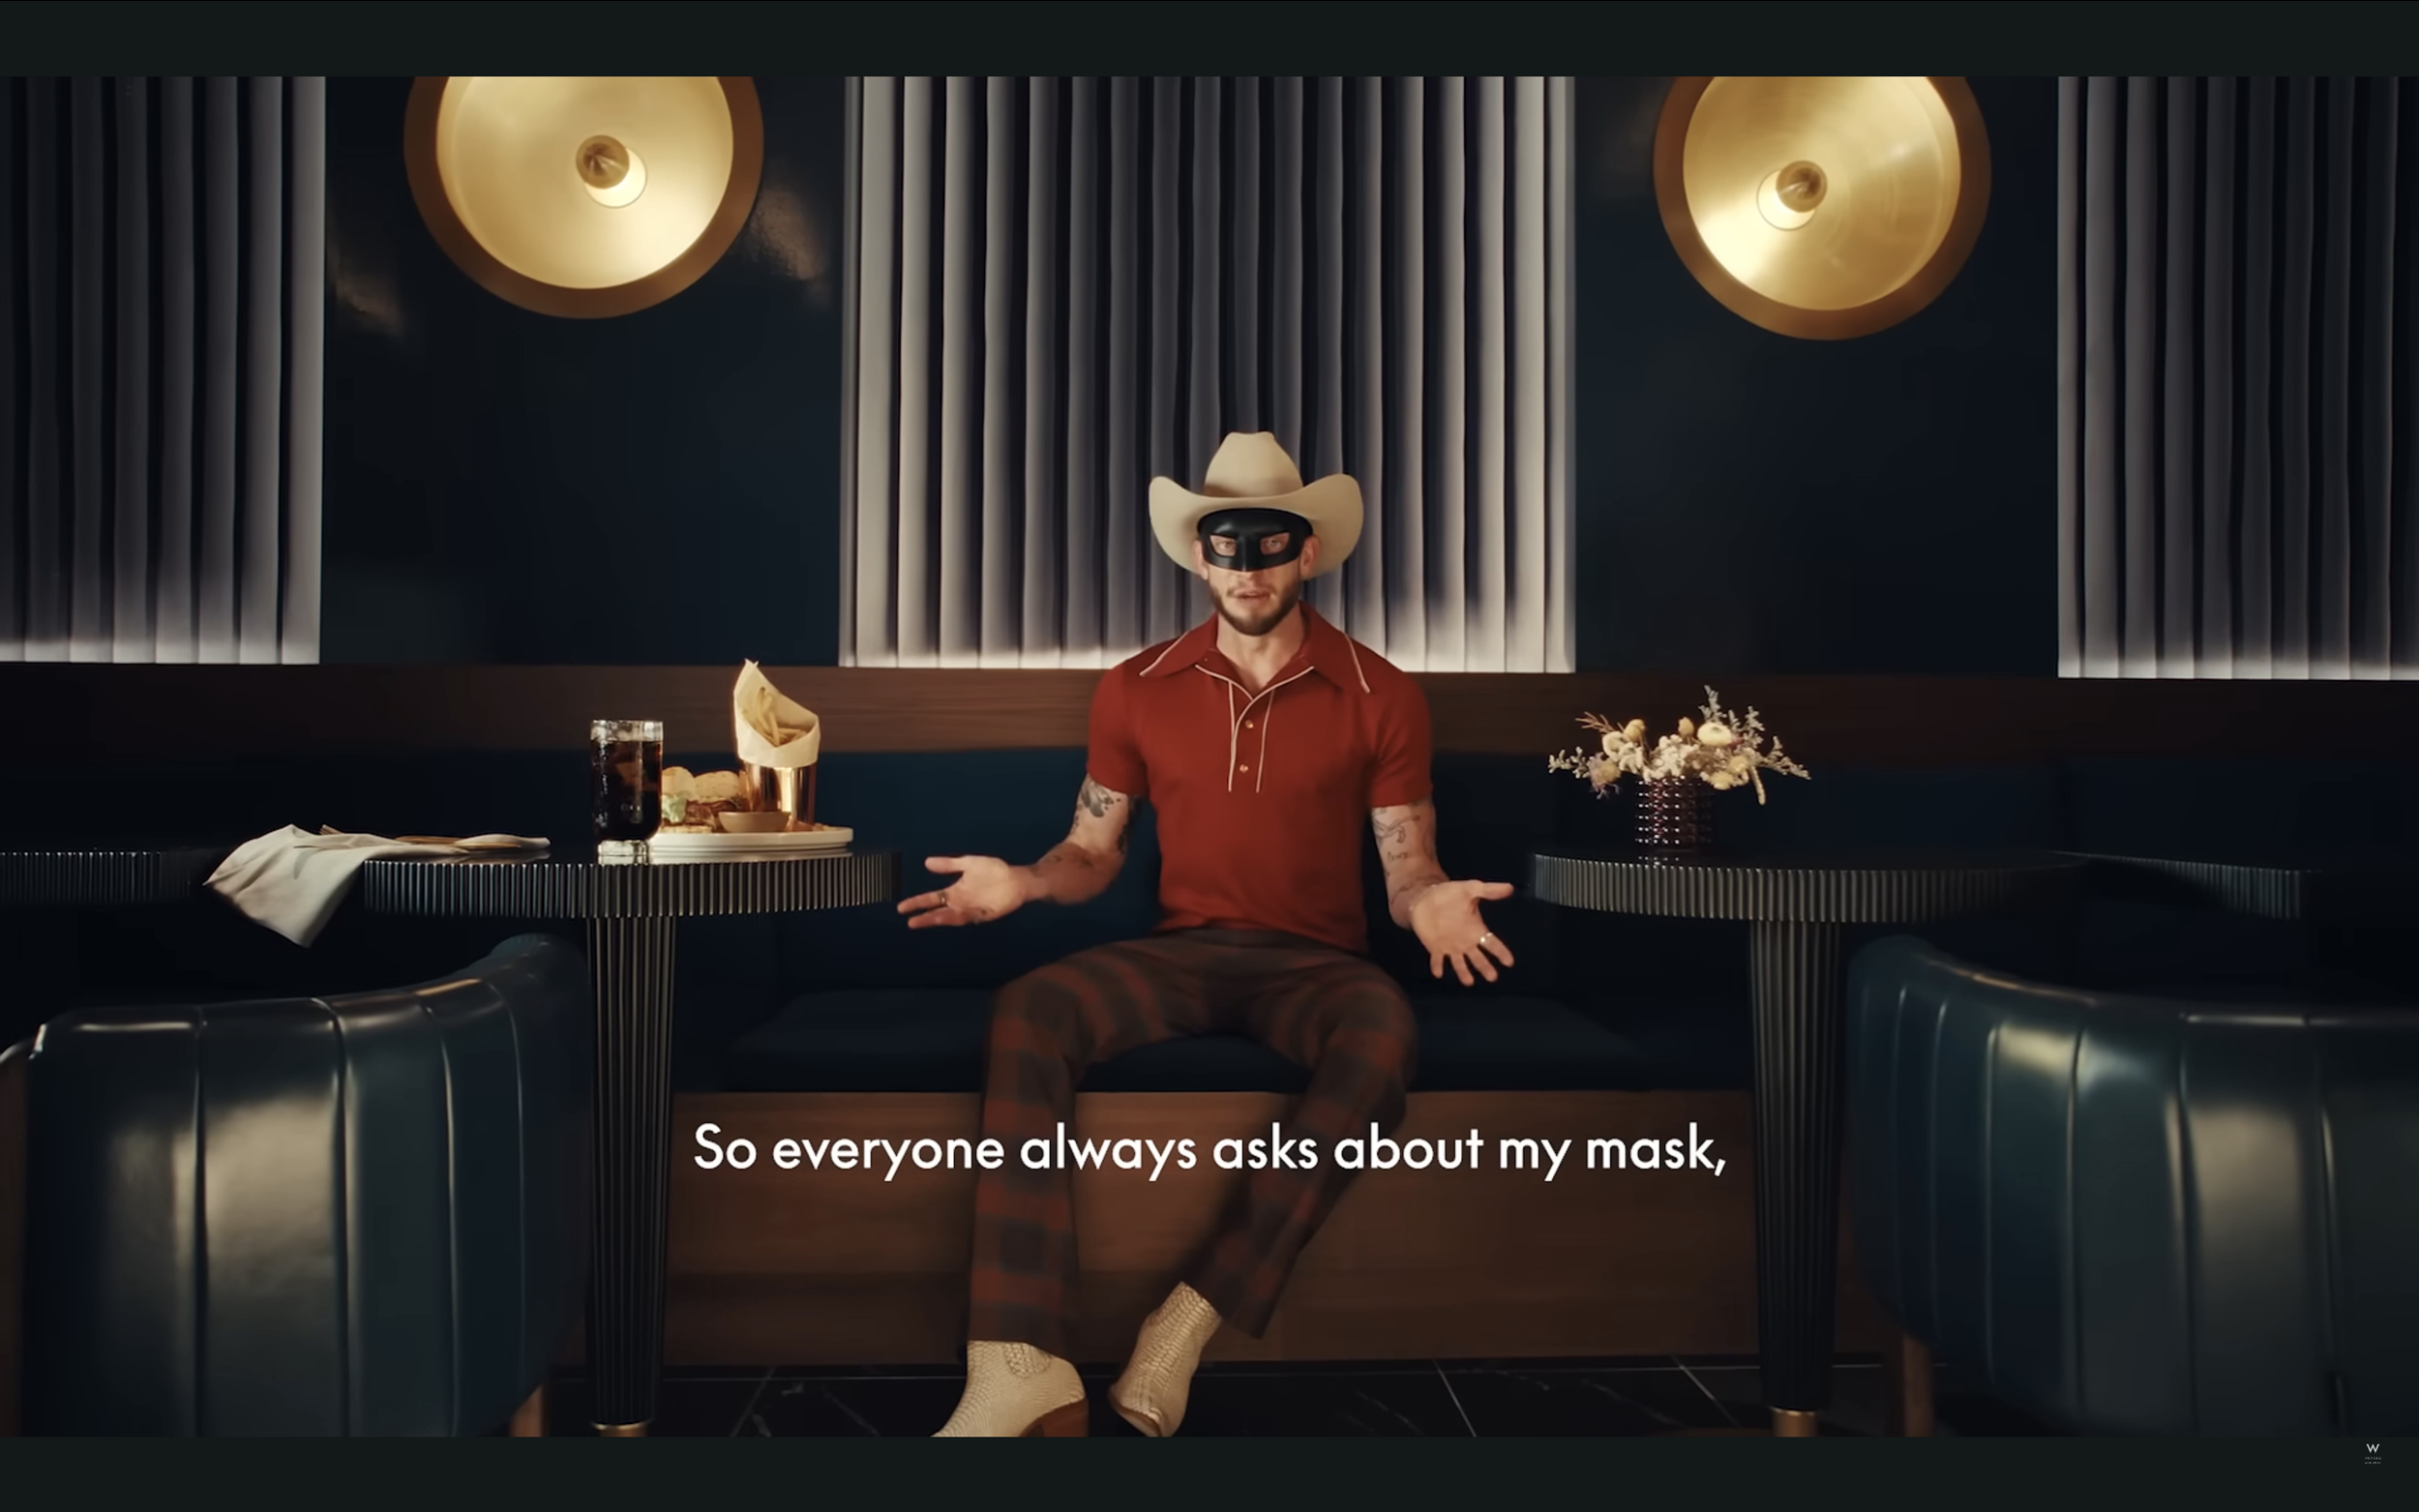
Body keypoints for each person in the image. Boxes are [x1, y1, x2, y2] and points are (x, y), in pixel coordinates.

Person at [900, 430, 1515, 1437]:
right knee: (1030, 1007)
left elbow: (1406, 868)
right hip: (1182, 956)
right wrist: (1023, 881)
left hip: (1317, 968)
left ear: (1306, 551)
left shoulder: (1381, 692)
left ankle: (1186, 1323)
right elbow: (1092, 852)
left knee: (1384, 1035)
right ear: (1198, 554)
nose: (1246, 564)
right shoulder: (1135, 686)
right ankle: (1020, 1361)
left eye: (1268, 542)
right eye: (1225, 542)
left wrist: (1431, 899)